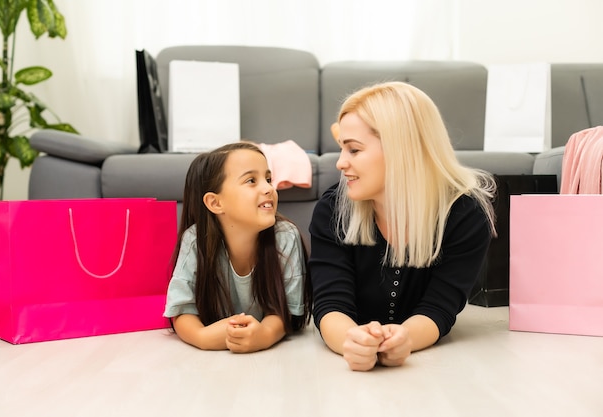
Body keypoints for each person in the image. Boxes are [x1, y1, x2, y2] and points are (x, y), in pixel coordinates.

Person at [309, 81, 496, 371]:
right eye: (342, 150)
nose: (340, 163)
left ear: (401, 149)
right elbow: (330, 303)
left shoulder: (465, 215)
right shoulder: (332, 210)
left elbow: (439, 307)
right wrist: (352, 340)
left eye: (354, 150)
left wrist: (405, 338)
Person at [164, 141, 312, 353]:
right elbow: (181, 309)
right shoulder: (195, 240)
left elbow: (286, 310)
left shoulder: (286, 237)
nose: (269, 188)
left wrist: (265, 335)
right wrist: (202, 337)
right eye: (252, 180)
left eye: (268, 179)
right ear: (215, 203)